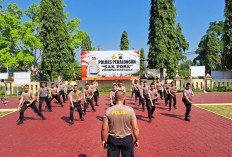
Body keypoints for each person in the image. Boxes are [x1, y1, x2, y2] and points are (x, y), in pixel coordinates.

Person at [101, 90, 139, 157]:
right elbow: (135, 128)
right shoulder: (130, 110)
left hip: (113, 139)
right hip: (127, 139)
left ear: (114, 98)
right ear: (124, 98)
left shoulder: (108, 110)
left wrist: (103, 140)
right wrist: (137, 140)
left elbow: (104, 128)